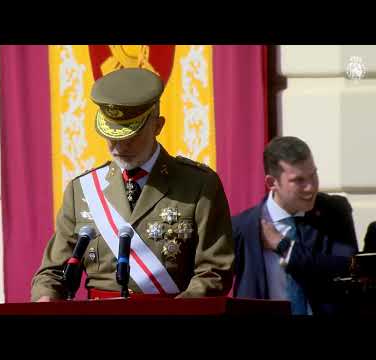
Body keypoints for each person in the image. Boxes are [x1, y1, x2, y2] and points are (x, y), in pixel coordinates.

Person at [31, 68, 234, 301]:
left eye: (130, 137)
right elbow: (53, 272)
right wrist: (46, 297)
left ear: (158, 126)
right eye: (111, 137)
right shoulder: (82, 190)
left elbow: (215, 271)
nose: (118, 147)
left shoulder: (198, 185)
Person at [232, 136, 358, 315]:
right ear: (271, 183)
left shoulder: (335, 211)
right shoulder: (243, 227)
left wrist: (285, 247)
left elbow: (348, 267)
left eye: (313, 175)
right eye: (299, 180)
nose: (310, 187)